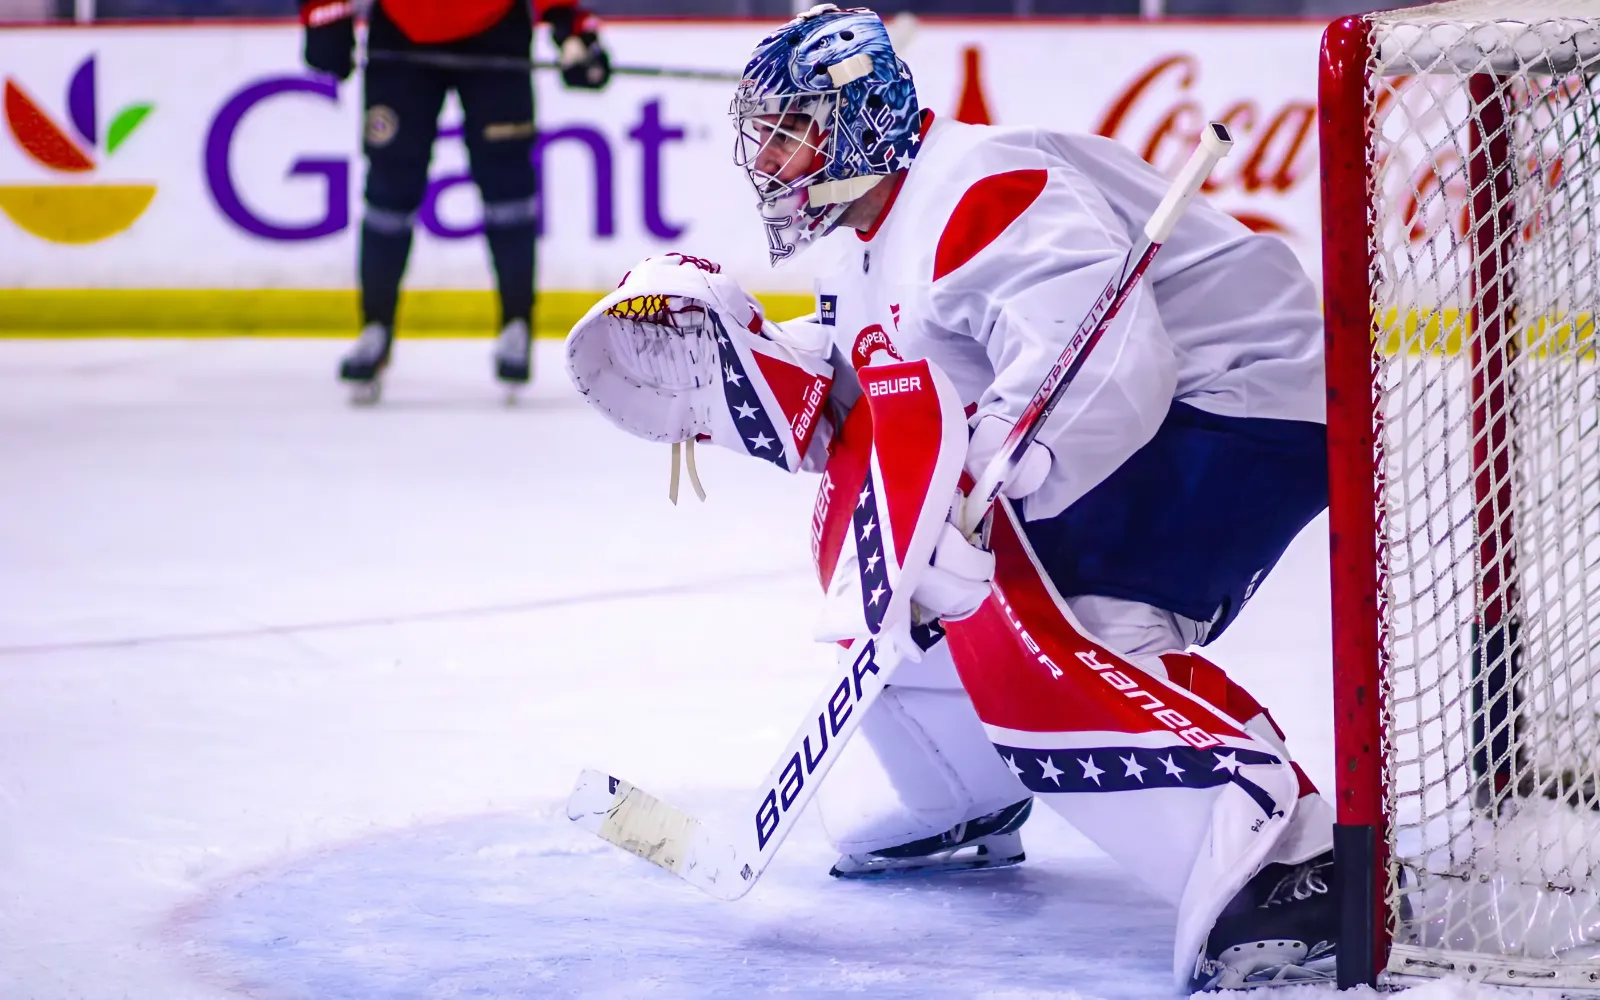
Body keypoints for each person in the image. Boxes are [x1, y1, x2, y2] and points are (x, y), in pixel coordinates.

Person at [727, 5, 1337, 992]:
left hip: (1247, 400)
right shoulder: (867, 238)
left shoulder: (980, 184)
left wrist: (986, 502)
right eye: (768, 134)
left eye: (793, 128)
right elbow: (879, 393)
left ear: (860, 119)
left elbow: (1110, 371)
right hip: (1178, 411)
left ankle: (1289, 859)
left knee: (1051, 614)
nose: (773, 156)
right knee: (894, 564)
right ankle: (961, 788)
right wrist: (740, 374)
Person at [298, 0, 611, 400]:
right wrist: (325, 11)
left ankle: (516, 323)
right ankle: (374, 327)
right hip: (401, 30)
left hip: (494, 28)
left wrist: (570, 25)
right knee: (390, 187)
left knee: (507, 187)